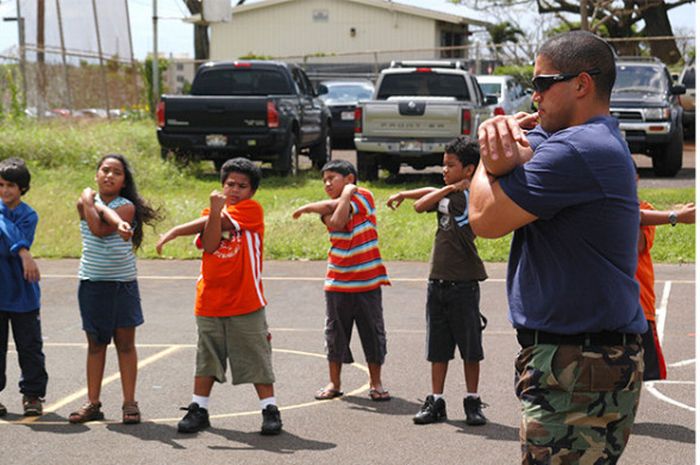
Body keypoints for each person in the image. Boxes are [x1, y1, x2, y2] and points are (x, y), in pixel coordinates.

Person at [468, 31, 648, 464]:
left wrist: (484, 160)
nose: (534, 96)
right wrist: (505, 155)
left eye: (543, 83)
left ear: (582, 84)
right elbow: (529, 153)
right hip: (580, 360)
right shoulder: (588, 141)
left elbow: (484, 219)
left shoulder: (580, 149)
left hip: (578, 363)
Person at [156, 157, 282, 436]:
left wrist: (177, 230)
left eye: (242, 186)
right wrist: (212, 212)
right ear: (221, 186)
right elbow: (211, 244)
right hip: (210, 301)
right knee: (207, 358)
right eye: (229, 184)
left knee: (255, 357)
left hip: (245, 301)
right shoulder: (210, 213)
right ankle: (199, 408)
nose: (234, 190)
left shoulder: (251, 210)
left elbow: (222, 220)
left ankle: (269, 409)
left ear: (252, 191)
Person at [386, 137, 489, 426]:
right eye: (444, 165)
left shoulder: (467, 198)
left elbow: (423, 204)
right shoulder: (449, 193)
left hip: (464, 283)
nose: (445, 169)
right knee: (438, 348)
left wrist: (446, 190)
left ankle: (473, 400)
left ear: (469, 170)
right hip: (438, 282)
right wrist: (405, 194)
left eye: (451, 165)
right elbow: (429, 194)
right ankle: (436, 400)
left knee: (471, 348)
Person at [70, 154, 161, 424]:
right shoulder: (83, 203)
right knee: (96, 345)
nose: (109, 175)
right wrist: (88, 200)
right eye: (104, 170)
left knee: (125, 344)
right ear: (97, 175)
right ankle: (93, 402)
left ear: (123, 182)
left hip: (122, 285)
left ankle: (129, 403)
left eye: (116, 172)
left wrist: (89, 199)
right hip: (92, 283)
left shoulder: (126, 207)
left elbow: (99, 227)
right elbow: (95, 220)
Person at [292, 159, 391, 401]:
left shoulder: (364, 196)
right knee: (335, 334)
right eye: (324, 180)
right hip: (338, 282)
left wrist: (343, 194)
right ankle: (334, 383)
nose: (327, 183)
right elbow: (336, 218)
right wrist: (319, 204)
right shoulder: (331, 208)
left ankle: (376, 383)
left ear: (350, 179)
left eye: (332, 178)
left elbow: (336, 209)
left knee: (372, 332)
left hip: (367, 282)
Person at [635, 164, 695, 380]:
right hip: (612, 307)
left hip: (641, 305)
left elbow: (637, 246)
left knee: (641, 373)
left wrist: (671, 216)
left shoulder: (645, 208)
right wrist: (674, 216)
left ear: (636, 179)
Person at [0, 157, 47, 417]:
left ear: (22, 188)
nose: (5, 191)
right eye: (1, 185)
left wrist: (19, 249)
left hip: (23, 293)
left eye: (10, 186)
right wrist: (24, 253)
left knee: (29, 347)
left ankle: (32, 394)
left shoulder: (29, 215)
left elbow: (12, 237)